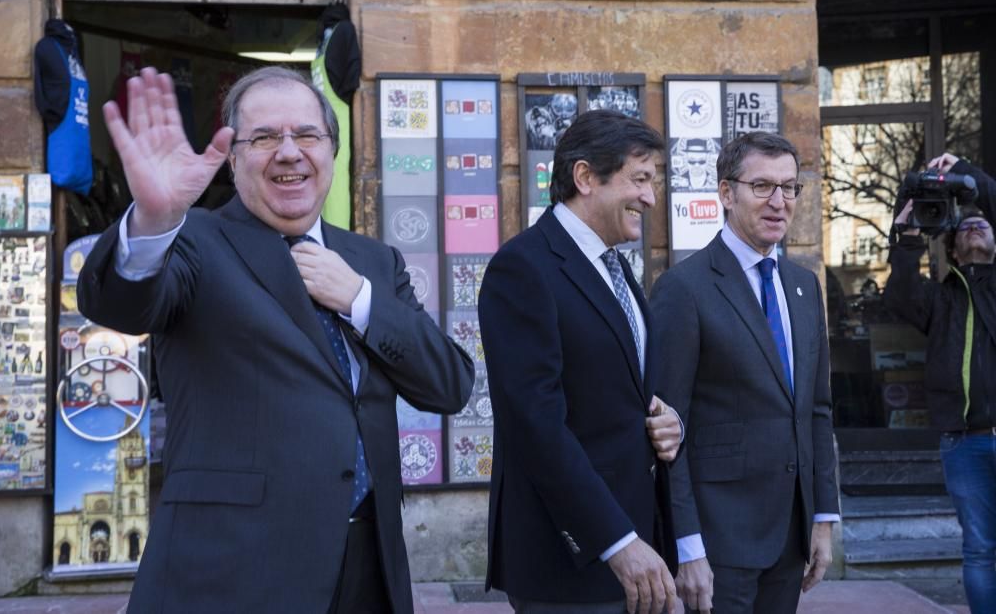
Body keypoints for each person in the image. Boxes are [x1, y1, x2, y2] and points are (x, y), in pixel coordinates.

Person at [76, 66, 474, 613]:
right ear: (233, 157)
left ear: (332, 150)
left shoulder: (372, 262)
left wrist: (360, 299)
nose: (288, 152)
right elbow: (120, 303)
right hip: (235, 571)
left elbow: (449, 385)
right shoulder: (192, 242)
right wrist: (152, 222)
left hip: (368, 570)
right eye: (264, 138)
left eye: (306, 135)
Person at [479, 109, 683, 614]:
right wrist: (616, 541)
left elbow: (619, 393)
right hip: (570, 561)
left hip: (637, 551)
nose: (650, 197)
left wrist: (667, 422)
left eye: (652, 182)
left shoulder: (615, 265)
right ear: (586, 177)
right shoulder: (523, 267)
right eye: (639, 179)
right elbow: (535, 424)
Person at [649, 132, 839, 613]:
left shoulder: (802, 285)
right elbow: (668, 429)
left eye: (790, 187)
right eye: (762, 187)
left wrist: (822, 516)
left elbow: (816, 410)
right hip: (718, 544)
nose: (779, 202)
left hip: (790, 536)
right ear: (726, 193)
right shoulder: (683, 289)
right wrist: (687, 545)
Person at [884, 152, 996, 614]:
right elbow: (901, 292)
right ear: (950, 248)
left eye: (984, 224)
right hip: (963, 442)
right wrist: (907, 231)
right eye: (965, 226)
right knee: (980, 549)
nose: (974, 226)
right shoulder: (941, 298)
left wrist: (969, 174)